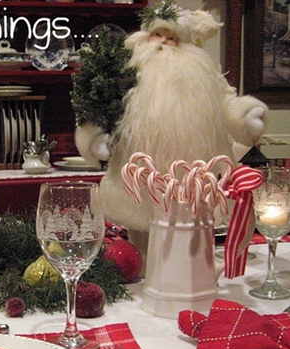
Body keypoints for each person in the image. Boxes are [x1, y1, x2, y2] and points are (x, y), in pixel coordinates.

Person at [74, 1, 268, 240]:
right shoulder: (127, 69)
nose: (163, 42)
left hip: (190, 177)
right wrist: (97, 138)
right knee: (141, 233)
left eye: (171, 38)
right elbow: (103, 107)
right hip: (138, 176)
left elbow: (225, 101)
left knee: (190, 238)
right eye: (157, 35)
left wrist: (245, 117)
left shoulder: (202, 74)